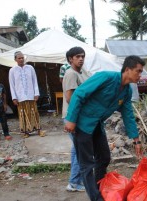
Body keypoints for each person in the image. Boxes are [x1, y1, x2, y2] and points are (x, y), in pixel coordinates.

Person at [64, 55, 144, 201]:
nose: (140, 75)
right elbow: (79, 94)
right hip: (82, 124)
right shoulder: (106, 77)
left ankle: (98, 187)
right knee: (86, 164)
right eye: (138, 71)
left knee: (104, 157)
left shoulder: (127, 91)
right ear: (127, 69)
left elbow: (128, 115)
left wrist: (136, 140)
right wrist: (71, 119)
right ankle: (96, 198)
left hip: (97, 125)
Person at [62, 47, 88, 192]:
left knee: (76, 150)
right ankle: (74, 182)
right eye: (77, 56)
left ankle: (74, 182)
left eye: (83, 56)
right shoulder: (71, 74)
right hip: (72, 117)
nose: (81, 59)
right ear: (70, 59)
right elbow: (70, 98)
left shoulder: (81, 73)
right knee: (80, 150)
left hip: (76, 116)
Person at [9, 51, 43, 138]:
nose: (21, 59)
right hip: (20, 96)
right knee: (22, 114)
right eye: (19, 58)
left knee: (34, 112)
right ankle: (25, 132)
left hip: (31, 95)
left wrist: (36, 93)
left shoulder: (30, 68)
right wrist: (14, 98)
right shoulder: (12, 70)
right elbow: (12, 85)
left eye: (22, 58)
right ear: (15, 59)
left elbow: (34, 81)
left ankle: (38, 130)